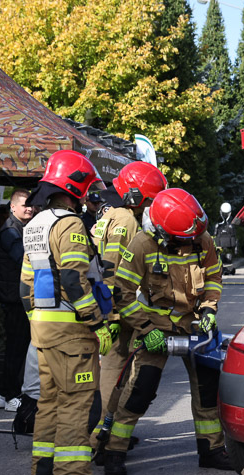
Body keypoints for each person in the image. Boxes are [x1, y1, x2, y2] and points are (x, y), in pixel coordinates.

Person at [106, 187, 228, 475]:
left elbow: (213, 276)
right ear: (162, 231)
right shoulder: (142, 245)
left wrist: (209, 309)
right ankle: (114, 450)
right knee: (140, 389)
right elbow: (122, 294)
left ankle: (211, 449)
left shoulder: (202, 238)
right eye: (184, 239)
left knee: (208, 389)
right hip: (155, 328)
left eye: (194, 238)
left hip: (195, 323)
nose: (191, 243)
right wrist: (146, 329)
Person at [20, 149, 115, 475]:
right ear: (74, 187)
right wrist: (97, 323)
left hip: (43, 331)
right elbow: (75, 281)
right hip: (72, 332)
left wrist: (38, 322)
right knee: (76, 403)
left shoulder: (34, 226)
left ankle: (45, 473)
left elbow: (24, 288)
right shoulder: (70, 224)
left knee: (49, 401)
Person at [89, 161, 168, 451]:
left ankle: (104, 434)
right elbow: (112, 267)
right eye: (149, 199)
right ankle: (103, 438)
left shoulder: (111, 214)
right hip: (117, 308)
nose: (149, 206)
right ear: (137, 196)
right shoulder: (126, 220)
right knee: (116, 373)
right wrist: (111, 312)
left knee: (113, 371)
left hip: (108, 305)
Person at [0, 189, 35, 411]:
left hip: (16, 296)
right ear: (13, 207)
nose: (29, 208)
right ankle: (12, 396)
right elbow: (22, 258)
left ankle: (2, 394)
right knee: (18, 348)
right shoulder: (10, 230)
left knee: (16, 347)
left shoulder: (19, 227)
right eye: (25, 205)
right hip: (15, 298)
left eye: (31, 205)